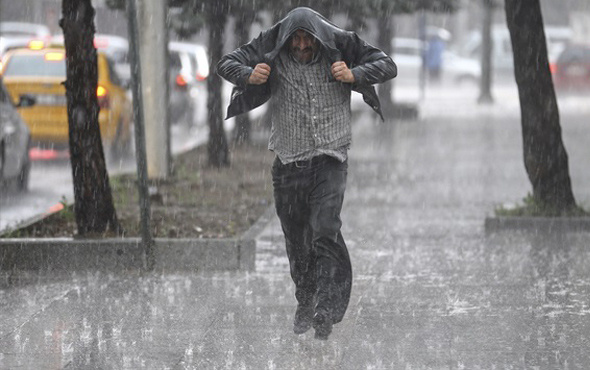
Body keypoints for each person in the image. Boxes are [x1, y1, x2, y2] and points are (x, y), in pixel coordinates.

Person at [217, 7, 397, 340]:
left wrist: (354, 74)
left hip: (330, 157)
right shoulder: (272, 42)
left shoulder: (340, 42)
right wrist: (248, 75)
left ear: (318, 37)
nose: (301, 45)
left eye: (307, 39)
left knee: (325, 230)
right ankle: (306, 299)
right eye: (295, 40)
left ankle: (325, 309)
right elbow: (226, 63)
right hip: (288, 162)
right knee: (297, 242)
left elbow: (388, 65)